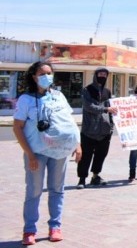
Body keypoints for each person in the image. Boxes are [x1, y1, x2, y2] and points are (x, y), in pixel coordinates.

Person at [13, 61, 81, 245]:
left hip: (59, 152)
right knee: (34, 191)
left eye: (49, 73)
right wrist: (30, 154)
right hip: (36, 152)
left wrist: (77, 144)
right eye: (42, 74)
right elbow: (18, 128)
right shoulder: (26, 99)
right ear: (34, 77)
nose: (46, 77)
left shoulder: (58, 96)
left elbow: (69, 121)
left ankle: (55, 227)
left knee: (57, 190)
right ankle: (29, 230)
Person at [77, 67, 117, 188]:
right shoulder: (87, 90)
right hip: (89, 130)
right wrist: (105, 109)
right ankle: (82, 179)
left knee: (101, 155)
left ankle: (95, 176)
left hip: (104, 131)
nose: (102, 76)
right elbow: (89, 106)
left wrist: (111, 125)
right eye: (100, 74)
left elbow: (111, 108)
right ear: (95, 75)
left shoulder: (107, 91)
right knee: (86, 156)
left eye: (105, 74)